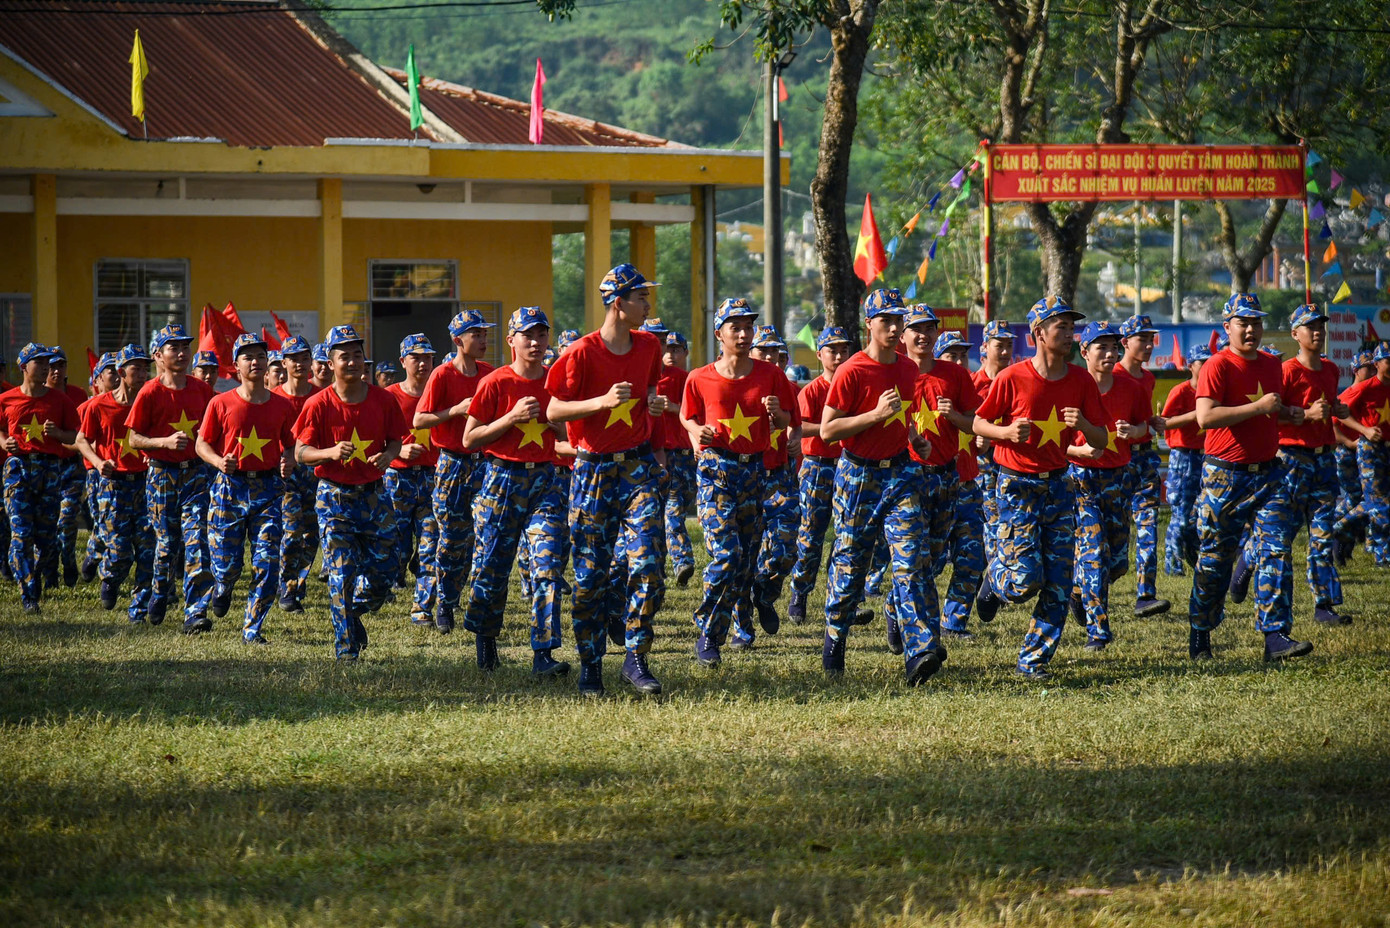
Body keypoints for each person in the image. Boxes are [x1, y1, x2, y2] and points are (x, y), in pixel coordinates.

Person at [545, 263, 669, 697]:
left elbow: (650, 391)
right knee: (590, 575)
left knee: (649, 563)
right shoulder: (580, 353)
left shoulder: (649, 346)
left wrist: (653, 405)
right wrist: (599, 402)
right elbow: (553, 411)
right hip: (593, 469)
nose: (647, 305)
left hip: (637, 468)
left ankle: (636, 657)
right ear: (619, 303)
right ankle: (591, 664)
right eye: (641, 298)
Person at [972, 297, 1111, 680]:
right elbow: (978, 424)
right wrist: (1003, 431)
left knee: (1060, 581)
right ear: (1038, 334)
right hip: (1016, 485)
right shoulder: (1012, 377)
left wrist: (1083, 421)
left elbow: (1101, 438)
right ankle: (995, 579)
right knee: (1024, 580)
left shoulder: (1081, 380)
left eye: (1072, 327)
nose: (1070, 335)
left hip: (1060, 487)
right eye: (1061, 328)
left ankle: (1033, 660)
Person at [820, 288, 942, 684]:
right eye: (885, 320)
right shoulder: (852, 371)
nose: (893, 327)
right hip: (859, 476)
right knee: (852, 563)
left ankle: (920, 650)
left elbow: (900, 417)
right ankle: (835, 638)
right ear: (868, 324)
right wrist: (874, 414)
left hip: (902, 474)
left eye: (898, 320)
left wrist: (914, 438)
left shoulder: (908, 369)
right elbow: (828, 429)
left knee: (913, 560)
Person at [1186, 292, 1310, 662]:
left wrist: (1289, 413)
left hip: (1268, 474)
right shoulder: (1217, 366)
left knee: (1276, 550)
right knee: (1216, 560)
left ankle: (1275, 636)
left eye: (1256, 322)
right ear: (1228, 327)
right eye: (1244, 322)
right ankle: (1201, 633)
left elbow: (1269, 412)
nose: (1251, 329)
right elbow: (1205, 418)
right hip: (1225, 475)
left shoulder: (1273, 365)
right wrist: (1260, 407)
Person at [680, 300, 794, 666]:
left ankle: (747, 609)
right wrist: (698, 431)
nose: (744, 334)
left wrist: (777, 414)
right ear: (719, 334)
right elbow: (687, 417)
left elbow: (787, 421)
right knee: (726, 556)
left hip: (754, 471)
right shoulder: (699, 377)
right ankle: (709, 634)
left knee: (745, 561)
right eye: (736, 328)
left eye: (748, 327)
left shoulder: (769, 374)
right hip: (716, 470)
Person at [461, 306, 573, 676]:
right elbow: (470, 437)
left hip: (545, 481)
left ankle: (544, 652)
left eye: (542, 335)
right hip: (501, 480)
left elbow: (565, 435)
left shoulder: (555, 382)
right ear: (512, 341)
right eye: (528, 335)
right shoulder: (495, 383)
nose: (536, 342)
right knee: (493, 568)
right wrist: (510, 418)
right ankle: (485, 638)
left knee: (547, 566)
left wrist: (553, 423)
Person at [292, 324, 407, 661]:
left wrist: (388, 456)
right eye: (345, 356)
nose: (354, 362)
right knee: (341, 575)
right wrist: (328, 453)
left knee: (386, 571)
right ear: (330, 362)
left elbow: (397, 440)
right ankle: (346, 649)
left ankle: (353, 611)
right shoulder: (318, 404)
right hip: (335, 498)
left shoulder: (383, 400)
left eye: (358, 355)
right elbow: (301, 452)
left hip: (374, 495)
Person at [1239, 305, 1350, 632]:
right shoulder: (1285, 371)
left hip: (1324, 458)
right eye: (1309, 327)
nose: (1317, 332)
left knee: (1322, 532)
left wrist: (1336, 408)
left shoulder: (1330, 369)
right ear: (1295, 334)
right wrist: (1306, 415)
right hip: (1291, 459)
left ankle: (1324, 603)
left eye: (1320, 326)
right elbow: (1273, 414)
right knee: (1281, 534)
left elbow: (1328, 405)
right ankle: (1248, 558)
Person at [197, 333, 297, 644]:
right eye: (248, 357)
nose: (255, 362)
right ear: (235, 366)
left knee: (267, 561)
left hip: (267, 488)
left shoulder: (281, 405)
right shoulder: (220, 402)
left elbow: (293, 445)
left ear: (268, 363)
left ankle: (252, 629)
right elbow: (202, 444)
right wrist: (217, 461)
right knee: (227, 565)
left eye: (260, 356)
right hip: (230, 487)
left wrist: (288, 460)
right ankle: (223, 586)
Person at [892, 309, 980, 650]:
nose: (923, 335)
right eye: (916, 329)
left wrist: (953, 415)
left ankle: (892, 606)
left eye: (930, 329)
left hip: (948, 476)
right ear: (903, 336)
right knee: (913, 556)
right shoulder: (894, 374)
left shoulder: (955, 375)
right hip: (909, 476)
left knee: (936, 558)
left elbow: (973, 424)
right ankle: (918, 628)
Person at [126, 323, 216, 631]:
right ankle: (160, 591)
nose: (181, 353)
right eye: (173, 348)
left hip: (195, 475)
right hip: (162, 474)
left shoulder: (202, 390)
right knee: (166, 544)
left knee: (197, 541)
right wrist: (162, 443)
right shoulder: (150, 392)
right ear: (158, 356)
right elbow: (134, 439)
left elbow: (214, 431)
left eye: (184, 347)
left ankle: (195, 611)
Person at [1066, 322, 1150, 650]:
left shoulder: (1130, 388)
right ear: (1084, 352)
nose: (1110, 353)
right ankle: (1098, 632)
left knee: (1117, 562)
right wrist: (1080, 451)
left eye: (1114, 346)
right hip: (1080, 479)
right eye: (1101, 347)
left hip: (1119, 478)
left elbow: (1145, 426)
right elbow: (1054, 443)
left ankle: (1078, 589)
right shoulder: (1071, 388)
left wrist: (1135, 431)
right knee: (1094, 554)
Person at [414, 309, 495, 634]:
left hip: (484, 462)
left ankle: (477, 599)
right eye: (476, 335)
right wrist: (455, 410)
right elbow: (420, 419)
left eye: (485, 334)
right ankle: (445, 602)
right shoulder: (443, 375)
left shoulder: (489, 373)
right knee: (452, 538)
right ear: (458, 340)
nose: (483, 340)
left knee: (485, 535)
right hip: (451, 464)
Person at [74, 345, 153, 621]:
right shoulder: (99, 405)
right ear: (121, 372)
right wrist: (98, 462)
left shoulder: (151, 402)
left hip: (145, 484)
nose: (143, 374)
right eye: (137, 368)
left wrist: (151, 455)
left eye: (146, 368)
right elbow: (81, 440)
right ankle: (110, 576)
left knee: (147, 549)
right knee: (119, 550)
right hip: (112, 485)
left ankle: (139, 608)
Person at [0, 343, 80, 612]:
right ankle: (29, 594)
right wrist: (4, 443)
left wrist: (58, 434)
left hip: (49, 470)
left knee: (46, 538)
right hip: (18, 469)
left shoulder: (60, 400)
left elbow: (76, 437)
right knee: (21, 533)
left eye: (49, 362)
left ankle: (44, 573)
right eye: (40, 362)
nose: (47, 367)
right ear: (24, 367)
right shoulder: (7, 399)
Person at [787, 325, 853, 624]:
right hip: (816, 466)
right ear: (819, 354)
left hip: (848, 464)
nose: (839, 356)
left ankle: (839, 597)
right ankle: (799, 594)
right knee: (811, 536)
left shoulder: (853, 384)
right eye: (832, 350)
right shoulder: (812, 390)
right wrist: (834, 427)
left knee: (846, 536)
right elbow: (798, 428)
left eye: (843, 350)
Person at [926, 329, 986, 641]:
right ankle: (903, 610)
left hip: (967, 484)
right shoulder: (928, 385)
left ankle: (954, 622)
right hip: (933, 485)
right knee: (930, 562)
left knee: (971, 556)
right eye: (952, 354)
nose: (960, 360)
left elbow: (982, 438)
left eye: (963, 354)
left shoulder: (968, 391)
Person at [743, 323, 801, 643]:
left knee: (785, 547)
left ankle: (764, 594)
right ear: (751, 353)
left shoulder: (787, 388)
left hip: (780, 477)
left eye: (775, 351)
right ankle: (742, 622)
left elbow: (797, 424)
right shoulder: (740, 383)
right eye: (762, 350)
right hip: (747, 476)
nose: (769, 356)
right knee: (743, 553)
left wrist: (795, 439)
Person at [381, 334, 439, 627]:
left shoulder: (440, 394)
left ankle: (422, 609)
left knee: (432, 545)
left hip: (432, 479)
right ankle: (399, 571)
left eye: (428, 357)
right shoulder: (388, 396)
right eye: (416, 358)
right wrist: (397, 450)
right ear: (403, 361)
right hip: (398, 478)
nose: (422, 363)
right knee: (398, 548)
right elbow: (371, 439)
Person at [1115, 314, 1170, 618]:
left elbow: (1142, 420)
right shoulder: (1112, 375)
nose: (1149, 345)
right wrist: (1137, 429)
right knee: (1117, 533)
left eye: (1151, 339)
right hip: (1117, 462)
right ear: (1125, 343)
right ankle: (1088, 590)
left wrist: (1152, 424)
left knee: (1148, 526)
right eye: (1142, 339)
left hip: (1144, 457)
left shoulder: (1148, 378)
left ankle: (1145, 594)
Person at [273, 336, 322, 612]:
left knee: (312, 535)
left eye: (305, 358)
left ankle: (296, 586)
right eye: (294, 359)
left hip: (315, 472)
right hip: (286, 475)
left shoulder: (320, 395)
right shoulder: (274, 397)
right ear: (284, 363)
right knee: (292, 533)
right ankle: (287, 587)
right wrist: (279, 459)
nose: (300, 364)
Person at [1337, 341, 1390, 567]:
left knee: (1379, 504)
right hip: (1369, 450)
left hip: (1387, 449)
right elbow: (1339, 413)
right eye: (1388, 361)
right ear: (1377, 364)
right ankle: (1337, 528)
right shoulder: (1365, 387)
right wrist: (1364, 431)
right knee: (1379, 505)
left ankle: (1340, 530)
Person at [1161, 345, 1209, 575]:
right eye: (1202, 362)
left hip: (1207, 456)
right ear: (1191, 366)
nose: (1207, 366)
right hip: (1184, 457)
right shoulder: (1180, 392)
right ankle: (1172, 564)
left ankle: (1195, 557)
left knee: (1200, 515)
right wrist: (1194, 415)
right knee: (1180, 514)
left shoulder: (1212, 391)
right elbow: (1164, 423)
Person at [972, 320, 1014, 578]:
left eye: (1010, 345)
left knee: (1010, 519)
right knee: (993, 520)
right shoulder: (972, 383)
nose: (1005, 351)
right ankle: (994, 575)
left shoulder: (1016, 379)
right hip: (984, 462)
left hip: (1011, 459)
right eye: (1000, 345)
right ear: (985, 347)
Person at [44, 347, 89, 589]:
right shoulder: (36, 396)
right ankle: (50, 569)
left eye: (60, 365)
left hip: (72, 466)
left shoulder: (78, 394)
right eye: (51, 366)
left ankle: (68, 560)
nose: (56, 371)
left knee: (67, 518)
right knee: (47, 522)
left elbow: (83, 432)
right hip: (46, 468)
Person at [656, 328, 696, 586]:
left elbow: (699, 412)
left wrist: (672, 407)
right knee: (667, 513)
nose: (669, 354)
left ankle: (668, 564)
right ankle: (679, 561)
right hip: (659, 455)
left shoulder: (686, 379)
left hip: (684, 457)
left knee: (674, 510)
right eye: (666, 348)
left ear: (685, 352)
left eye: (675, 349)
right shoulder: (648, 377)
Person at [79, 352, 119, 583]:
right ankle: (95, 555)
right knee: (102, 520)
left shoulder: (132, 403)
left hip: (124, 474)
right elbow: (75, 438)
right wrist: (95, 457)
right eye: (110, 371)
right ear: (98, 378)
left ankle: (99, 556)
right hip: (96, 474)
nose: (115, 375)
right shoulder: (89, 406)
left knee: (114, 522)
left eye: (117, 369)